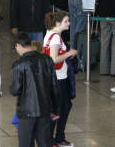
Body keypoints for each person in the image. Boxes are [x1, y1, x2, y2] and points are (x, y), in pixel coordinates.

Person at [11, 33, 61, 147]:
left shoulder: (18, 64)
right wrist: (56, 109)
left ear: (18, 45)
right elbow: (54, 86)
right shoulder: (47, 60)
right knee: (45, 143)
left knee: (26, 143)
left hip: (26, 112)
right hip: (45, 110)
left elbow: (15, 90)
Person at [43, 12, 78, 147]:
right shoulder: (56, 38)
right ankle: (54, 139)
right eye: (66, 21)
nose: (68, 23)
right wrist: (69, 53)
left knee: (62, 106)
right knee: (60, 108)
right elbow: (54, 59)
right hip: (58, 79)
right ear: (57, 23)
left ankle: (55, 138)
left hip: (56, 77)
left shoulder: (50, 34)